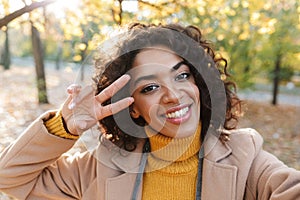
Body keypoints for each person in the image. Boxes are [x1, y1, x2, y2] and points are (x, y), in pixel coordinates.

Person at [0, 22, 299, 200]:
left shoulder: (245, 156)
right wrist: (63, 127)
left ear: (198, 82)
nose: (173, 95)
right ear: (133, 109)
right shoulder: (100, 166)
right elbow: (9, 177)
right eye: (150, 88)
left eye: (182, 75)